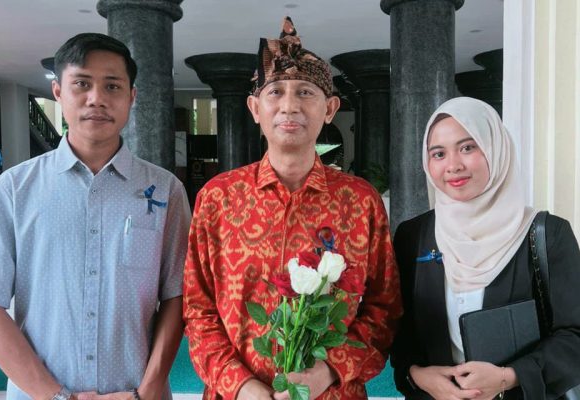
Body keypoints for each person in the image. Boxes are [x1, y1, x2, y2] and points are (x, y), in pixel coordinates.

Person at [183, 17, 402, 400]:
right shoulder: (218, 198)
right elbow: (198, 309)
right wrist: (241, 386)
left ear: (330, 108)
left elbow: (383, 308)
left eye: (305, 92)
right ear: (254, 108)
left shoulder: (359, 201)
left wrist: (328, 371)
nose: (289, 106)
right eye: (275, 92)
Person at [0, 33, 191, 400]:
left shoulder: (165, 190)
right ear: (58, 92)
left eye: (112, 86)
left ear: (131, 97)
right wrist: (57, 396)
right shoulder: (14, 189)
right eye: (81, 84)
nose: (97, 98)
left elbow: (178, 296)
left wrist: (145, 392)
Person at [390, 97, 580, 399]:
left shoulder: (547, 234)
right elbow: (399, 333)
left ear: (496, 149)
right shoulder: (414, 236)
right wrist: (418, 376)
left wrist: (508, 377)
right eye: (438, 153)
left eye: (468, 147)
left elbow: (574, 337)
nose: (453, 165)